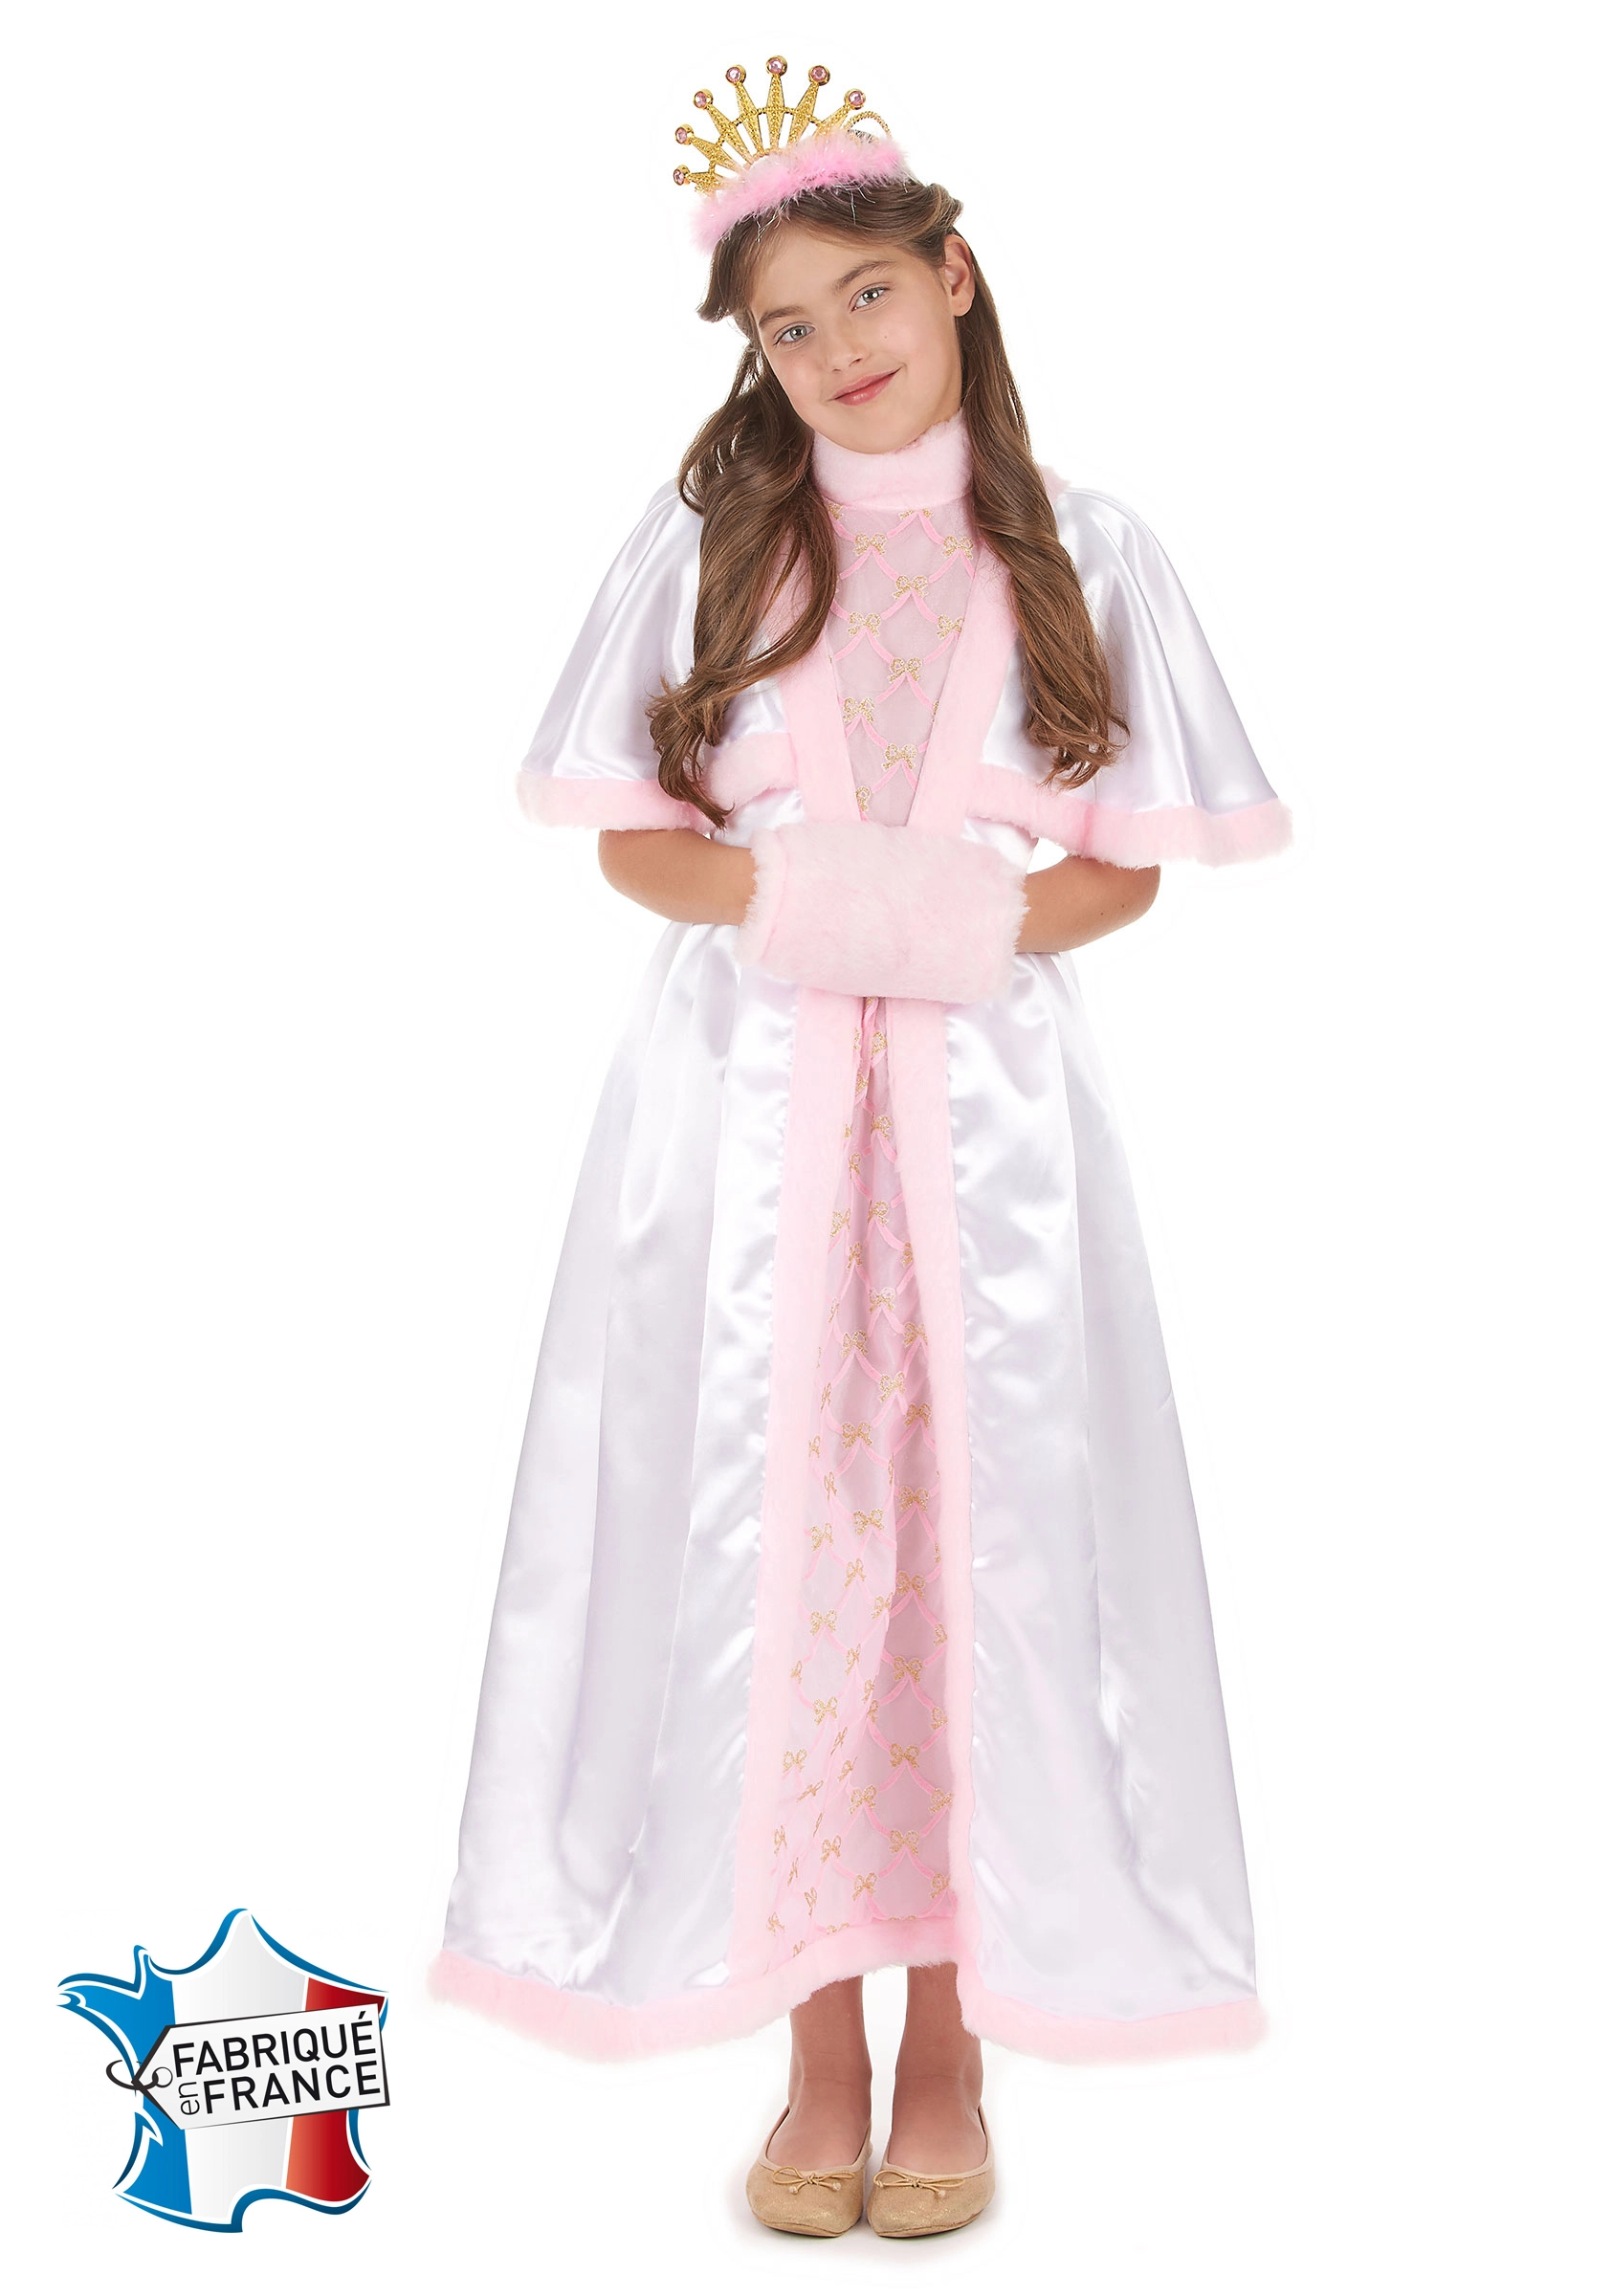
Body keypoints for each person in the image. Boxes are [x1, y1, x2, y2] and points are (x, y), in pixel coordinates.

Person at [430, 57, 1292, 2240]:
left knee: (982, 1553)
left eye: (868, 296)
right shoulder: (714, 548)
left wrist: (947, 925)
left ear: (955, 276)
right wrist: (813, 902)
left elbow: (1121, 868)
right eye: (788, 328)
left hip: (987, 1134)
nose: (838, 351)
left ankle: (955, 2054)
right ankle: (816, 2053)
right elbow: (638, 842)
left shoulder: (1086, 550)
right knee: (774, 1555)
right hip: (742, 1127)